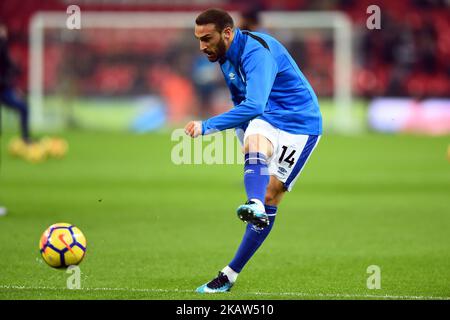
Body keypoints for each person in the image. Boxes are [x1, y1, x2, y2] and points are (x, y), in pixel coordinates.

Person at [185, 9, 322, 293]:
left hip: (300, 123)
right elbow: (242, 102)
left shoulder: (256, 53)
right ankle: (255, 205)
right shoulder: (223, 57)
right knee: (254, 142)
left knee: (272, 193)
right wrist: (243, 135)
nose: (202, 46)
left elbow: (255, 105)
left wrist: (206, 126)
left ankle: (230, 272)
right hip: (268, 117)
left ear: (227, 33)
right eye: (198, 39)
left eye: (207, 38)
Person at [0, 23, 31, 144]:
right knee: (24, 108)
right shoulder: (3, 48)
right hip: (4, 88)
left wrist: (12, 84)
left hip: (4, 89)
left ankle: (25, 138)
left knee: (24, 107)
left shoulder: (4, 50)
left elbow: (9, 68)